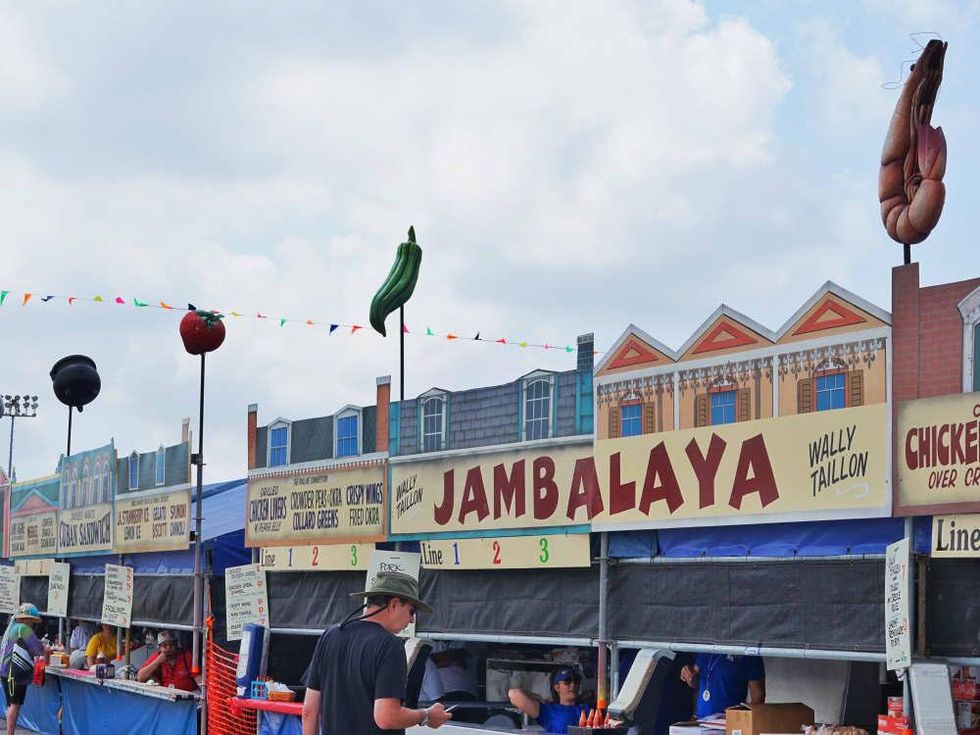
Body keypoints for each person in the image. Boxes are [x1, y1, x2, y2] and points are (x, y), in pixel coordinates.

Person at [301, 572, 452, 735]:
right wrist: (427, 715)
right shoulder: (390, 645)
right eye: (411, 610)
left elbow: (309, 711)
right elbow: (386, 717)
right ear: (394, 604)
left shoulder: (329, 636)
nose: (412, 620)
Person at [0, 604, 47, 735]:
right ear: (29, 619)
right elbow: (36, 649)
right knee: (15, 704)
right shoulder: (24, 629)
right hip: (15, 671)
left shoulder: (12, 628)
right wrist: (43, 646)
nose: (33, 624)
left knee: (11, 704)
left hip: (5, 670)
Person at [508, 665, 589, 734]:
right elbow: (514, 694)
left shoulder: (587, 707)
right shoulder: (549, 711)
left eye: (576, 681)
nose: (573, 685)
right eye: (567, 682)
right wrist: (538, 697)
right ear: (557, 687)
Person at [680, 654, 765, 719]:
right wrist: (688, 675)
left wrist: (741, 721)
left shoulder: (748, 654)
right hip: (702, 721)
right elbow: (696, 683)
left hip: (729, 723)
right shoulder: (705, 649)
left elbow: (758, 696)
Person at [420, 643, 479, 722]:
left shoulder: (463, 636)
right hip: (442, 694)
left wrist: (438, 660)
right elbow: (422, 660)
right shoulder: (425, 640)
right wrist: (449, 661)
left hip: (465, 692)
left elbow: (461, 652)